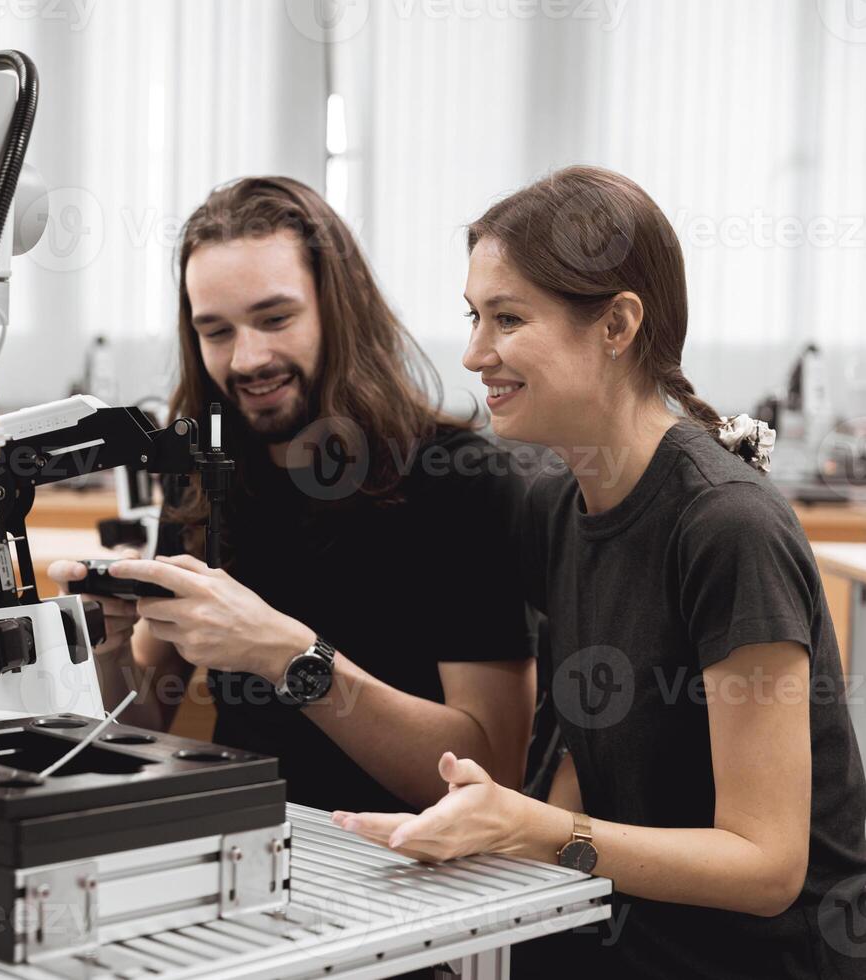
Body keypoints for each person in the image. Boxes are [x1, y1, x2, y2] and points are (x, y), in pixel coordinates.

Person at [333, 166, 866, 978]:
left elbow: (767, 868)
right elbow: (582, 764)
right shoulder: (556, 504)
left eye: (508, 318)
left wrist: (530, 830)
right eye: (475, 317)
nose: (476, 353)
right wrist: (482, 836)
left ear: (616, 324)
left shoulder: (727, 526)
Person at [49, 176, 534, 816]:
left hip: (405, 870)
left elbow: (492, 772)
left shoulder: (462, 480)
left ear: (338, 308)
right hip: (243, 841)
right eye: (216, 331)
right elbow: (145, 715)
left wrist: (285, 655)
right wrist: (107, 646)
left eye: (275, 319)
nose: (248, 358)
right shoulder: (202, 475)